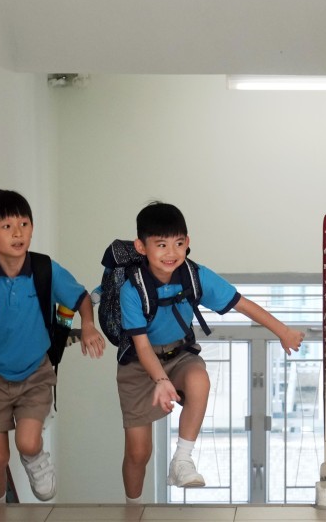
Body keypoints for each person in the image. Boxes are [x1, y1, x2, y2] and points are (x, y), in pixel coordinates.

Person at [116, 201, 304, 504]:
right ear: (141, 246)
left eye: (178, 243)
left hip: (179, 355)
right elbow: (141, 345)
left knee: (200, 379)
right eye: (161, 244)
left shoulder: (195, 275)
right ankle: (133, 508)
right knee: (139, 452)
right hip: (140, 363)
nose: (171, 253)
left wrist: (282, 331)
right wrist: (160, 380)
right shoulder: (132, 290)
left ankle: (182, 460)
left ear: (188, 242)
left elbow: (242, 304)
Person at [0, 189, 105, 503]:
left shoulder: (45, 270)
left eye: (24, 223)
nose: (18, 232)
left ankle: (36, 459)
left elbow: (80, 298)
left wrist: (89, 325)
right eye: (7, 226)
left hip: (35, 374)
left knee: (26, 442)